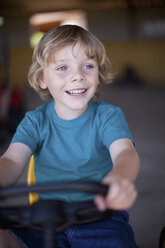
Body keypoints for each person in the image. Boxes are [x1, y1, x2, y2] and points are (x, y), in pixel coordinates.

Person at [0, 25, 140, 248]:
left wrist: (121, 177)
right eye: (63, 67)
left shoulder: (108, 116)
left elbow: (125, 152)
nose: (78, 76)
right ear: (42, 79)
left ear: (98, 74)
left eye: (88, 66)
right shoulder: (35, 121)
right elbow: (12, 160)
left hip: (100, 217)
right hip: (45, 219)